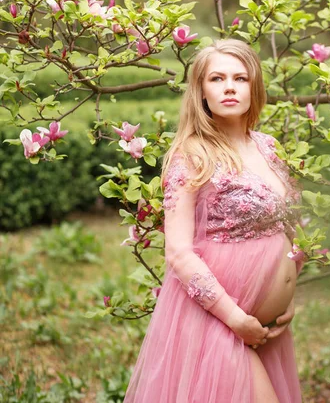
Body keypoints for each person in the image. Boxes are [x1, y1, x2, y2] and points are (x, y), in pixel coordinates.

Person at [123, 39, 304, 403]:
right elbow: (178, 253)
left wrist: (287, 296)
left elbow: (288, 227)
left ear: (255, 86)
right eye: (217, 78)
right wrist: (236, 319)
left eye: (241, 78)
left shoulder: (268, 146)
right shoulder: (191, 155)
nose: (230, 87)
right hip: (218, 319)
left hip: (267, 324)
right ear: (201, 90)